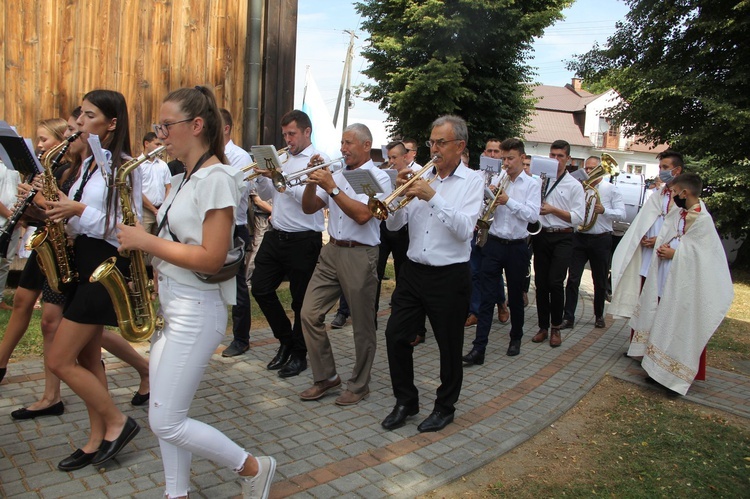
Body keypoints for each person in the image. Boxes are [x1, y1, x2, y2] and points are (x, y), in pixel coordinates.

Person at [116, 86, 276, 499]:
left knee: (167, 421)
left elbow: (211, 257)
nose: (160, 134)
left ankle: (253, 467)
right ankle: (177, 493)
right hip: (175, 307)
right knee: (163, 412)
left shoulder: (219, 177)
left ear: (197, 125)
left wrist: (144, 242)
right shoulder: (183, 177)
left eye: (166, 126)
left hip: (197, 310)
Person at [45, 90, 142, 471]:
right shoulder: (86, 165)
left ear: (112, 123)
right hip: (81, 263)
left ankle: (118, 421)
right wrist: (47, 205)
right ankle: (95, 437)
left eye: (88, 116)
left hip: (104, 269)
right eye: (80, 116)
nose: (80, 123)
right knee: (88, 360)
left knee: (58, 359)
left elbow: (119, 227)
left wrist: (77, 208)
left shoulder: (125, 168)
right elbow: (76, 220)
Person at [381, 115, 483, 432]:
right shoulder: (421, 179)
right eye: (431, 142)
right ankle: (406, 401)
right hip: (413, 272)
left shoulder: (473, 181)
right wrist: (398, 198)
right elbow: (396, 225)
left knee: (449, 346)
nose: (434, 149)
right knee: (395, 335)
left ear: (460, 145)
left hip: (449, 275)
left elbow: (465, 229)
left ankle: (445, 407)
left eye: (441, 142)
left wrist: (432, 197)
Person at [298, 123, 391, 406]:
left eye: (349, 143)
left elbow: (363, 215)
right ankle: (326, 376)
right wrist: (312, 181)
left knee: (363, 325)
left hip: (361, 254)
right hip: (332, 251)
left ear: (366, 145)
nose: (342, 149)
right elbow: (309, 208)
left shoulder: (378, 178)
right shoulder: (336, 174)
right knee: (308, 313)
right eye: (341, 143)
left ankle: (360, 384)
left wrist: (333, 187)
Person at [627, 173, 733, 394]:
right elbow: (670, 234)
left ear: (685, 193)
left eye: (675, 192)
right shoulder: (680, 214)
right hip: (668, 276)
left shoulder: (703, 220)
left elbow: (705, 256)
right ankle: (657, 371)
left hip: (686, 283)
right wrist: (664, 247)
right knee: (662, 322)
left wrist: (676, 252)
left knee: (678, 326)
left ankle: (674, 378)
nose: (672, 195)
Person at [251, 109, 326, 378]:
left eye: (292, 133)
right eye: (284, 134)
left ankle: (299, 354)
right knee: (259, 288)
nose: (288, 139)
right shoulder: (281, 158)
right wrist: (262, 177)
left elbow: (308, 201)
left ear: (307, 132)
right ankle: (284, 341)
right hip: (277, 233)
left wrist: (278, 177)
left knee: (300, 301)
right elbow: (267, 194)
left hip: (304, 238)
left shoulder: (319, 160)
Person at [464, 138, 539, 363]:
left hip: (517, 246)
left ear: (522, 158)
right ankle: (479, 348)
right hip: (494, 243)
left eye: (510, 158)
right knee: (487, 296)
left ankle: (516, 337)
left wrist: (508, 202)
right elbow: (485, 209)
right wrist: (490, 201)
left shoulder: (532, 184)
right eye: (504, 159)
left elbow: (533, 216)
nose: (505, 163)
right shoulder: (499, 178)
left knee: (516, 297)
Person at [609, 150, 685, 323]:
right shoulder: (658, 195)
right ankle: (637, 348)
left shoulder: (685, 198)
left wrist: (660, 240)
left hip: (669, 261)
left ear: (677, 170)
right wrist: (641, 237)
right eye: (660, 167)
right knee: (642, 307)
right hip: (647, 259)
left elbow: (683, 231)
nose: (661, 171)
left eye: (665, 167)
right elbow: (643, 222)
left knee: (661, 310)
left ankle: (652, 349)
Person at [530, 140, 585, 348]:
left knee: (555, 282)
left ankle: (556, 328)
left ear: (568, 159)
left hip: (563, 236)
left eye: (560, 156)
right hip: (542, 234)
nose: (555, 160)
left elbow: (578, 217)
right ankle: (543, 327)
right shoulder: (540, 180)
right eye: (552, 155)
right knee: (542, 283)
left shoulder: (574, 185)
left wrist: (553, 210)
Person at [561, 156, 625, 330]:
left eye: (592, 168)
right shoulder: (579, 188)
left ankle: (598, 315)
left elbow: (622, 214)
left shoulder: (611, 190)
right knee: (573, 279)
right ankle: (568, 316)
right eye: (587, 169)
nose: (589, 172)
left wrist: (604, 210)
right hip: (580, 237)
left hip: (601, 239)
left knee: (600, 279)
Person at [219, 108, 253, 358]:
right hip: (215, 225)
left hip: (235, 227)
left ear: (226, 128)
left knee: (238, 286)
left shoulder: (239, 156)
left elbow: (234, 193)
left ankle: (241, 338)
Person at [465, 138, 509, 328]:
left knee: (492, 271)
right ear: (483, 153)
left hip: (495, 229)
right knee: (474, 270)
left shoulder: (506, 176)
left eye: (496, 152)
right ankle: (475, 310)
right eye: (489, 151)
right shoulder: (476, 175)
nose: (492, 155)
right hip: (477, 226)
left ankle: (500, 302)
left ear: (501, 155)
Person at [139, 132, 171, 236]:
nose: (160, 147)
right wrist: (153, 210)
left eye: (160, 144)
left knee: (160, 241)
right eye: (157, 144)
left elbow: (168, 187)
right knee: (144, 244)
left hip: (161, 209)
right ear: (146, 144)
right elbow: (137, 191)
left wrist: (163, 207)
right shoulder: (138, 165)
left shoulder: (163, 165)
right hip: (145, 211)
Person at [0, 155, 22, 310]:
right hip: (5, 219)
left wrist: (20, 216)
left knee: (5, 261)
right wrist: (9, 215)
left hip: (14, 222)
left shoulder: (13, 167)